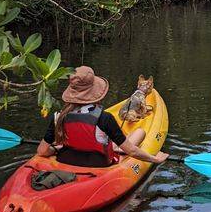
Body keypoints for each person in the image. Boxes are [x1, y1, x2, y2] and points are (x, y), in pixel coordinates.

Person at [36, 65, 169, 168]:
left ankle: (115, 146)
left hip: (66, 159)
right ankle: (117, 147)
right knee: (140, 132)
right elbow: (132, 152)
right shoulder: (105, 118)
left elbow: (41, 151)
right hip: (100, 164)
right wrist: (155, 159)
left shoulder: (58, 117)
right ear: (95, 92)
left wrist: (54, 149)